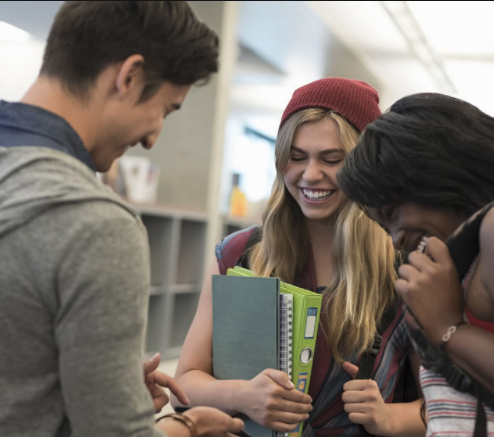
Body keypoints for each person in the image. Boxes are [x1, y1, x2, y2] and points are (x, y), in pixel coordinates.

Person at [0, 1, 245, 436]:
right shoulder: (97, 226)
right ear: (129, 77)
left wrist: (95, 370)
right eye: (166, 110)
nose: (152, 138)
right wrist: (187, 426)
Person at [174, 78, 425, 436]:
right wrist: (243, 395)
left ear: (366, 165)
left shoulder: (405, 270)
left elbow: (448, 407)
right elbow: (184, 384)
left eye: (332, 159)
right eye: (296, 157)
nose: (310, 174)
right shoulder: (240, 255)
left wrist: (388, 418)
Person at [337, 92, 494, 436]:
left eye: (393, 215)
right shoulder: (458, 266)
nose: (395, 239)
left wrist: (448, 328)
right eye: (383, 226)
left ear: (435, 175)